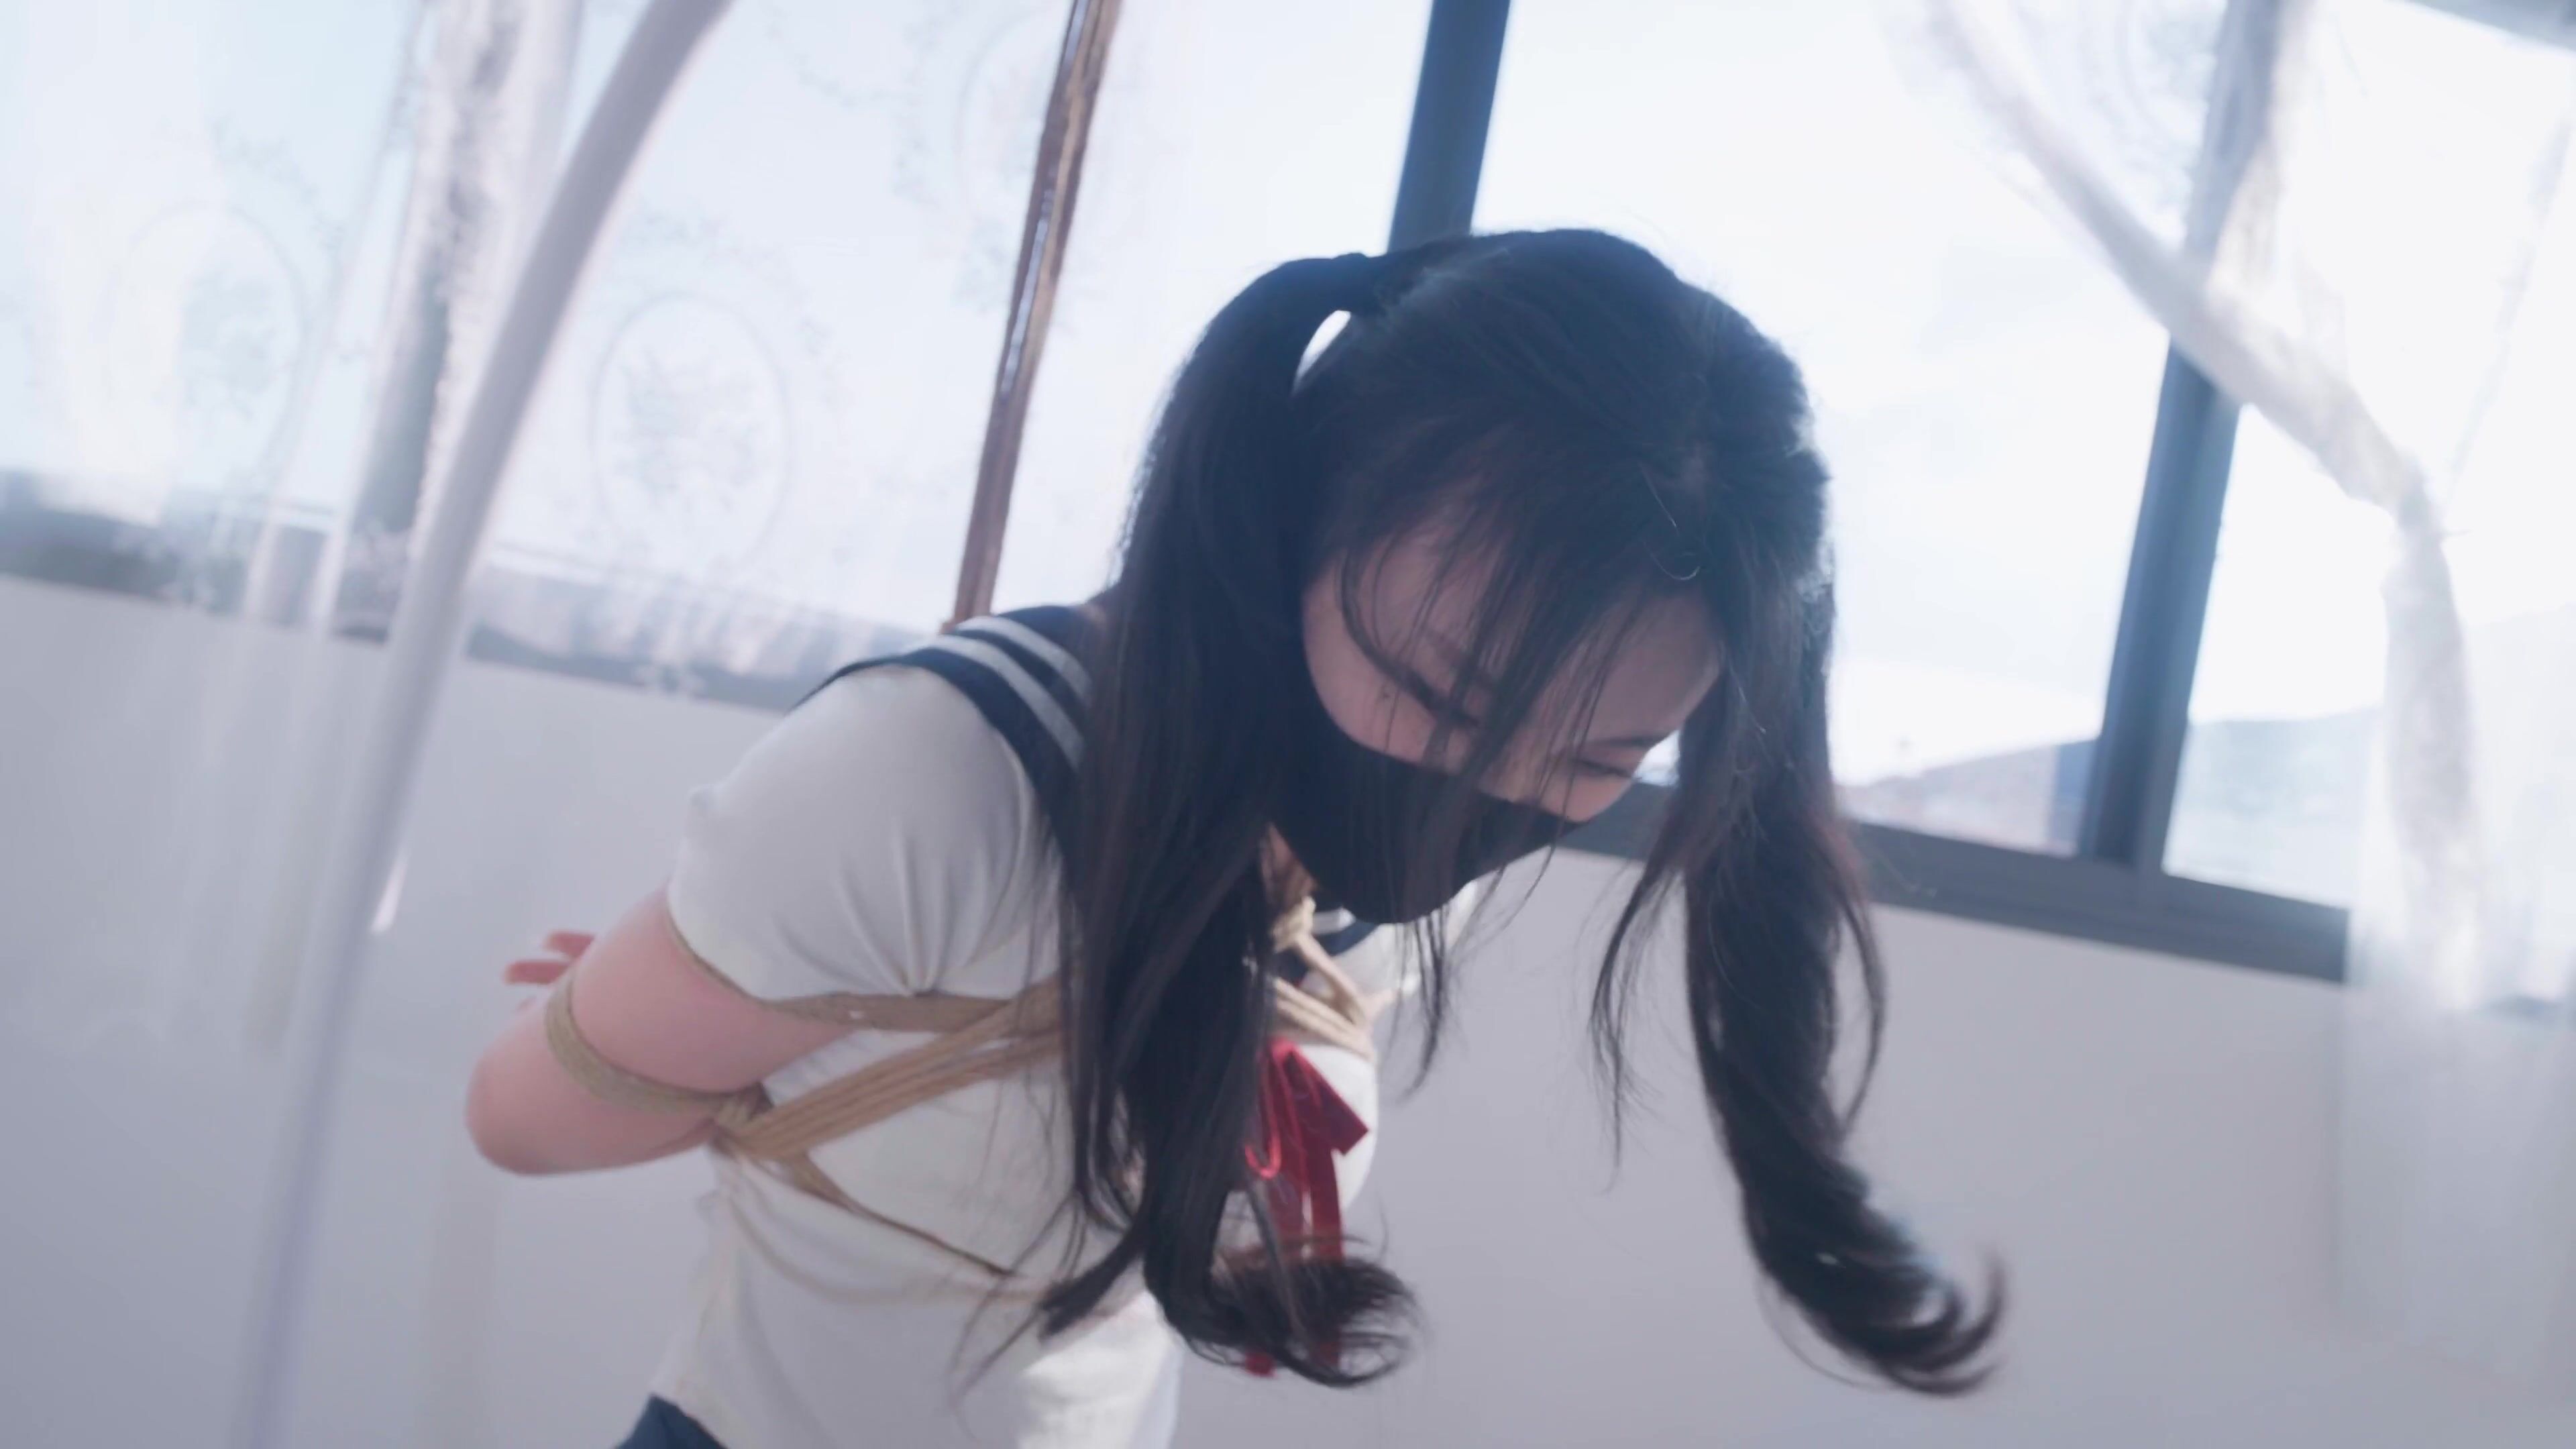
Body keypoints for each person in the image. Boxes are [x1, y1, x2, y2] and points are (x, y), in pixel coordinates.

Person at [465, 228, 2000, 1449]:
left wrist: (720, 1030)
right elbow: (518, 1122)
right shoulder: (929, 777)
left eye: (1601, 758)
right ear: (1289, 521)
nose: (1490, 795)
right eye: (1444, 698)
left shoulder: (1388, 875)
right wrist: (689, 1024)